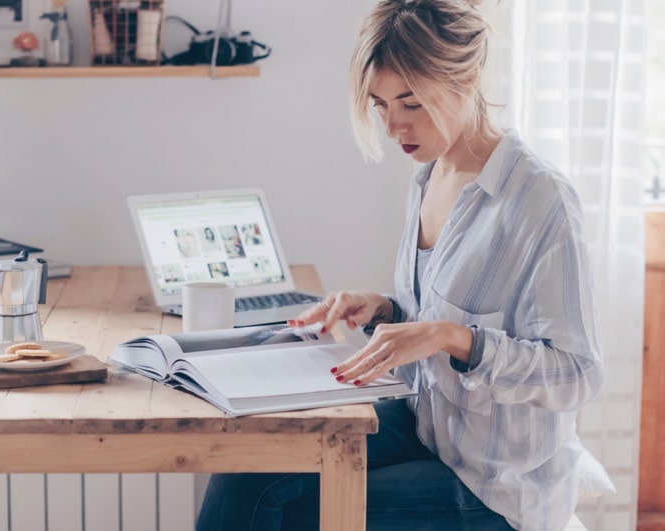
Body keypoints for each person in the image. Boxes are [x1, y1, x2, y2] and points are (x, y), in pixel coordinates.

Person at [195, 0, 605, 530]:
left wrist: (456, 339)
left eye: (410, 103)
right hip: (427, 426)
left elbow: (578, 374)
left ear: (468, 77)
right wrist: (383, 309)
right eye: (380, 104)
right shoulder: (428, 177)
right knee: (245, 471)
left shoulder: (538, 199)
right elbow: (432, 314)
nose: (393, 126)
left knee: (295, 512)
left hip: (496, 483)